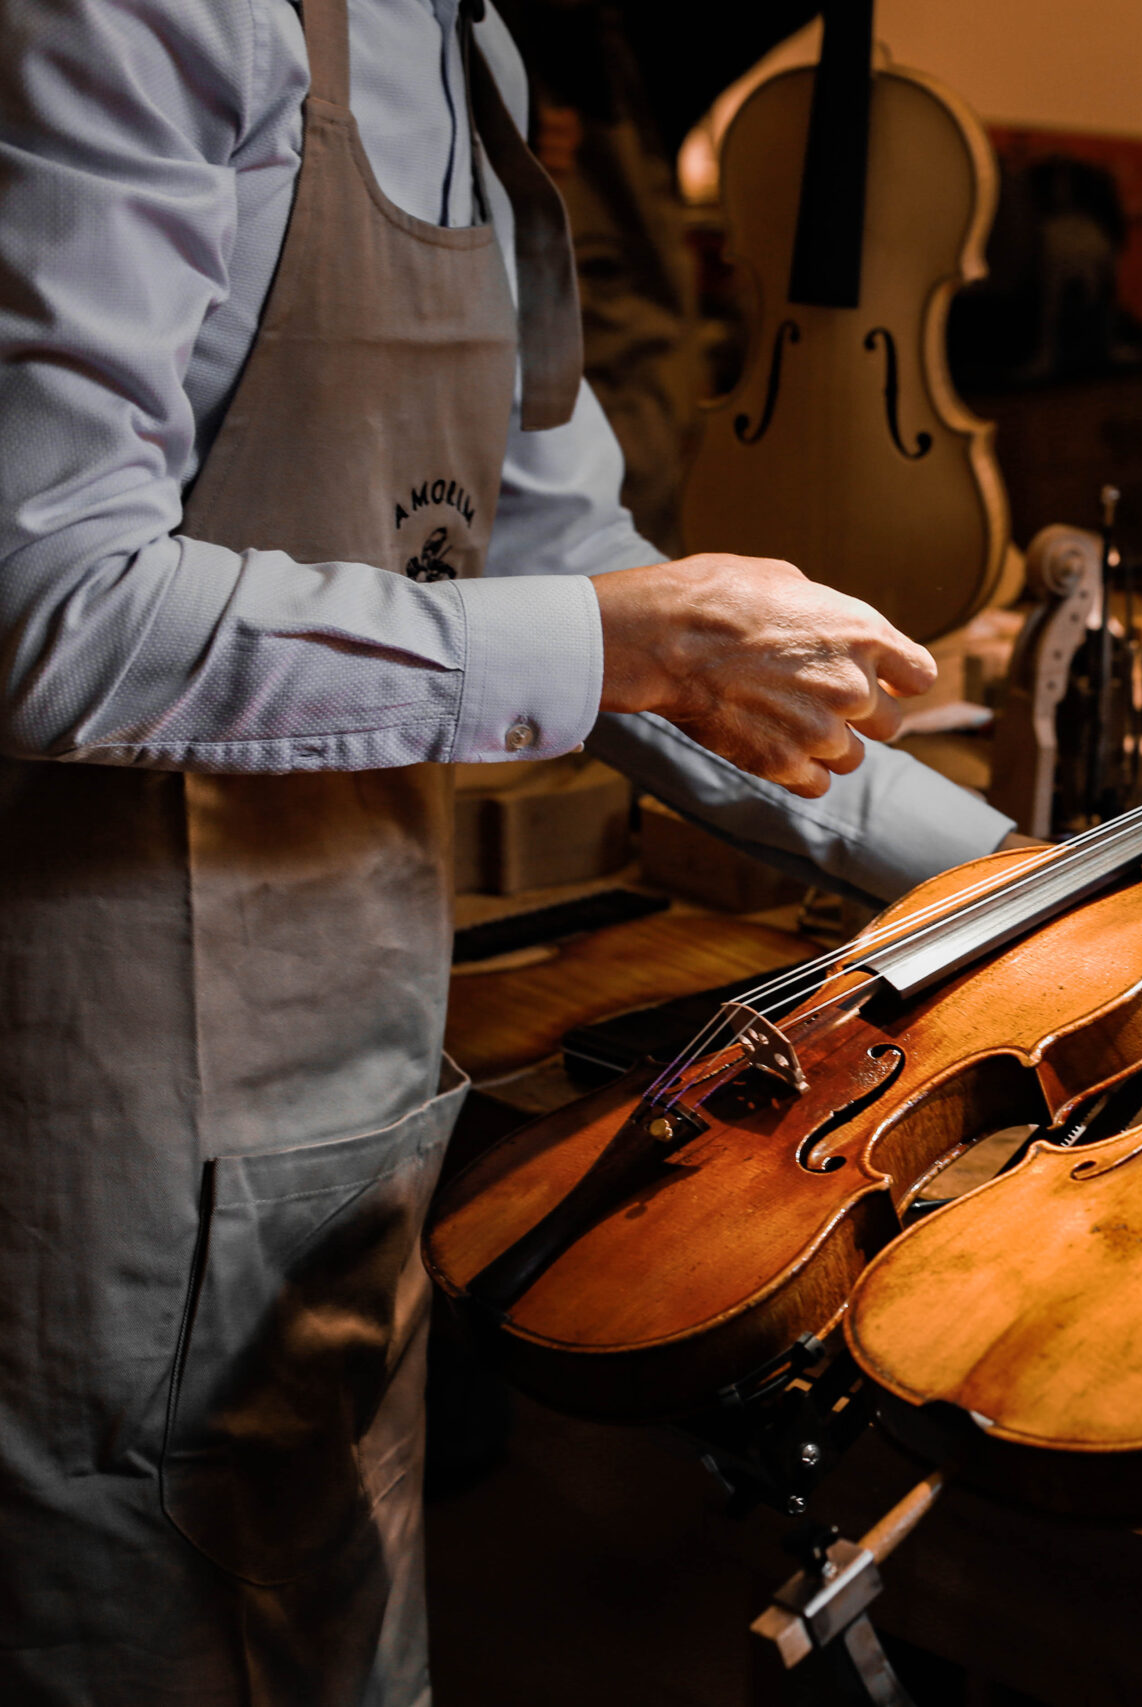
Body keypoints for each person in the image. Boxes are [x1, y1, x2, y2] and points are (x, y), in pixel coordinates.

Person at [0, 1, 1015, 1701]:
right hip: (118, 1115)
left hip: (359, 1085)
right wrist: (610, 644)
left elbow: (554, 547)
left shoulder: (468, 44)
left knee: (342, 1642)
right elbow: (50, 600)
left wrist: (1014, 865)